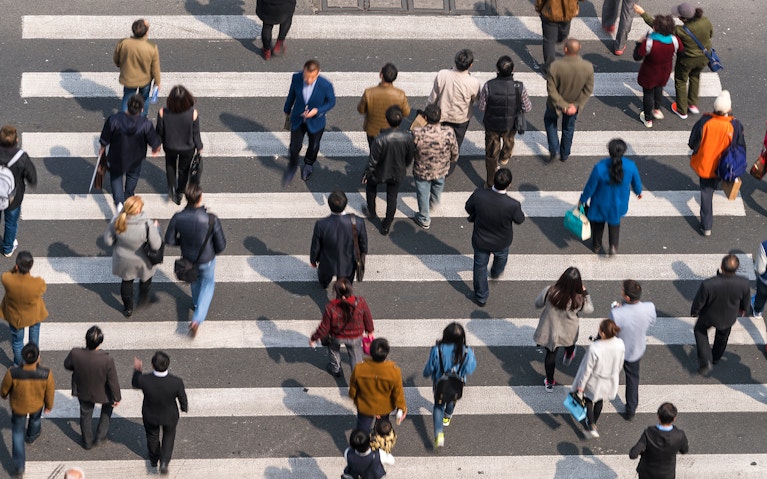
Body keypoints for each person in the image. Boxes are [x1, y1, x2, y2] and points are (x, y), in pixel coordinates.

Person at [165, 183, 227, 337]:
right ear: (200, 197)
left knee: (194, 280)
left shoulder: (178, 217)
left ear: (186, 198)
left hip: (188, 259)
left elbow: (170, 240)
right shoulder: (211, 219)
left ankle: (195, 302)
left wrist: (184, 243)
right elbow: (221, 245)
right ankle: (197, 319)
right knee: (208, 284)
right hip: (207, 260)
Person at [635, 3, 713, 119]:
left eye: (679, 16)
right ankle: (692, 104)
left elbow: (658, 26)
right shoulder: (705, 21)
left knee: (681, 81)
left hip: (688, 60)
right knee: (695, 77)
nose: (678, 18)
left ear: (684, 18)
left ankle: (681, 110)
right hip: (705, 56)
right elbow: (710, 34)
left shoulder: (680, 31)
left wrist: (643, 13)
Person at [464, 168, 525, 307]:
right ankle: (495, 273)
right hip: (502, 242)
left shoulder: (479, 194)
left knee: (479, 266)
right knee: (501, 259)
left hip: (481, 239)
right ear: (509, 185)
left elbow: (468, 207)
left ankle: (481, 297)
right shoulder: (513, 204)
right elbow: (520, 220)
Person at [688, 90, 743, 236]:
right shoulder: (735, 125)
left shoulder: (705, 122)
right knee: (714, 183)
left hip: (706, 165)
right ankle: (716, 183)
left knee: (706, 194)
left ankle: (706, 226)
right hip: (725, 166)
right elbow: (740, 147)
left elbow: (692, 141)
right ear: (729, 109)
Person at [533, 266, 594, 392]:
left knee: (550, 355)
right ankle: (569, 354)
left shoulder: (550, 291)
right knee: (570, 344)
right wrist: (585, 293)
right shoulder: (579, 299)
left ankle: (549, 382)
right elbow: (589, 309)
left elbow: (537, 303)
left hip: (550, 330)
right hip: (568, 331)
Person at [579, 138, 643, 256]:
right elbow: (636, 183)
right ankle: (613, 245)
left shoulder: (600, 167)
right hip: (619, 202)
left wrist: (582, 200)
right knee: (614, 222)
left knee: (598, 225)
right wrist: (638, 192)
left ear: (609, 151)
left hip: (600, 202)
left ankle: (596, 246)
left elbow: (590, 187)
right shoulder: (631, 166)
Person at [478, 55, 532, 189]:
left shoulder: (488, 85)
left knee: (491, 154)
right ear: (513, 69)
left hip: (492, 124)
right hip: (510, 124)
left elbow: (482, 107)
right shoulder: (519, 87)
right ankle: (504, 157)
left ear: (497, 69)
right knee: (509, 141)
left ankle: (490, 182)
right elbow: (527, 107)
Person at [99, 94, 162, 208]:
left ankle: (119, 203)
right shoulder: (145, 124)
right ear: (142, 109)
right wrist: (155, 148)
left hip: (116, 156)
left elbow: (105, 137)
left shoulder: (114, 119)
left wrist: (102, 148)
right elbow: (154, 141)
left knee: (116, 177)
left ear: (127, 106)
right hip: (135, 158)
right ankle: (128, 197)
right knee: (132, 177)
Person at [0, 343, 54, 477]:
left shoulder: (12, 372)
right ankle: (31, 436)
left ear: (22, 358)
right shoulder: (46, 373)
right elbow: (50, 392)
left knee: (17, 433)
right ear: (38, 357)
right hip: (37, 404)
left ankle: (19, 465)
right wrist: (48, 406)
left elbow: (4, 388)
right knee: (35, 420)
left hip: (19, 406)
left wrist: (4, 395)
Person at [103, 196, 162, 317]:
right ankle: (142, 299)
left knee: (126, 282)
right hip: (143, 261)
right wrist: (157, 228)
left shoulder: (117, 220)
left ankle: (128, 308)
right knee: (145, 280)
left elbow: (108, 241)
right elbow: (156, 245)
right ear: (138, 210)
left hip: (124, 260)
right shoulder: (147, 224)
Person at [64, 326, 121, 450]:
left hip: (83, 389)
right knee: (107, 409)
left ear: (86, 339)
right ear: (100, 342)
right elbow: (113, 380)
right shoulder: (107, 359)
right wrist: (117, 397)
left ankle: (87, 441)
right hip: (103, 392)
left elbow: (67, 365)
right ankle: (101, 435)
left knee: (85, 415)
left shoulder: (75, 353)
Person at [691, 254, 750, 375]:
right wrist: (744, 309)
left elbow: (699, 301)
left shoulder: (709, 284)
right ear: (736, 269)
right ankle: (716, 358)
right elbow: (745, 300)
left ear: (721, 266)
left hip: (709, 316)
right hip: (729, 317)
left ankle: (706, 359)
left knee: (700, 331)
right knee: (722, 337)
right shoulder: (743, 283)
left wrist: (695, 312)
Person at [132, 351, 188, 475]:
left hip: (150, 415)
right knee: (169, 437)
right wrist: (184, 407)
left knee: (152, 437)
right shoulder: (176, 382)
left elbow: (135, 383)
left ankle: (153, 459)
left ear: (152, 365)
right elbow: (182, 398)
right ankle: (164, 462)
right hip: (170, 416)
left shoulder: (144, 379)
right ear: (167, 365)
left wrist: (137, 370)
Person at [422, 322, 477, 449]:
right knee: (452, 399)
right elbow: (470, 369)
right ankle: (447, 417)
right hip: (457, 383)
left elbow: (429, 368)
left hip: (440, 383)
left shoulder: (437, 350)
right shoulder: (467, 352)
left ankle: (439, 433)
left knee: (438, 406)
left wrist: (425, 374)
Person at [363, 106, 415, 236]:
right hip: (397, 172)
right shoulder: (408, 137)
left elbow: (373, 160)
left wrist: (367, 172)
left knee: (371, 188)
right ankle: (386, 225)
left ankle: (372, 211)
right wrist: (404, 166)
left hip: (379, 172)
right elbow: (409, 157)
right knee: (392, 197)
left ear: (386, 120)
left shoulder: (380, 139)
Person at [282, 59, 337, 184]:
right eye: (307, 77)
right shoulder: (296, 78)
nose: (309, 80)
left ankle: (308, 164)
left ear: (318, 73)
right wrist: (287, 109)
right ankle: (292, 165)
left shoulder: (325, 85)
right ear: (303, 70)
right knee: (294, 147)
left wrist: (317, 110)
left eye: (312, 77)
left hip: (316, 121)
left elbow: (331, 102)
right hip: (298, 118)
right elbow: (292, 94)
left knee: (313, 146)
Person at [610, 280, 657, 420]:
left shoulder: (616, 314)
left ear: (627, 298)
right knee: (632, 379)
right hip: (636, 349)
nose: (621, 291)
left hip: (619, 349)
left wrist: (617, 309)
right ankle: (631, 409)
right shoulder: (649, 307)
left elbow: (612, 331)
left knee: (611, 371)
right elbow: (652, 322)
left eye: (622, 290)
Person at [571, 319, 625, 438]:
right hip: (609, 379)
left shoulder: (595, 347)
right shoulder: (620, 344)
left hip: (595, 380)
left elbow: (587, 369)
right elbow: (620, 363)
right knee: (600, 400)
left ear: (603, 333)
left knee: (589, 400)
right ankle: (595, 421)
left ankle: (591, 424)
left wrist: (580, 386)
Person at [309, 279, 374, 378]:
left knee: (334, 350)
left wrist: (314, 338)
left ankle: (335, 369)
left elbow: (324, 327)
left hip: (337, 336)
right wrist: (370, 330)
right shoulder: (360, 302)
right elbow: (367, 317)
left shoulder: (331, 307)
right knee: (356, 356)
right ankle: (357, 379)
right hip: (355, 336)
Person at [544, 39, 594, 163]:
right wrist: (575, 106)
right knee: (568, 128)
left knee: (550, 122)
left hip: (555, 104)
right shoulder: (588, 67)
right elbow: (588, 90)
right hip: (574, 107)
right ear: (580, 48)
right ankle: (565, 153)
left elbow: (551, 89)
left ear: (565, 49)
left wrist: (563, 105)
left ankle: (553, 147)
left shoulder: (555, 66)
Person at [411, 104, 458, 230]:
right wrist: (452, 160)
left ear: (425, 117)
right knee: (438, 185)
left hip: (422, 170)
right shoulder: (448, 132)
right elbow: (454, 151)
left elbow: (411, 150)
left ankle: (424, 218)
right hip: (441, 168)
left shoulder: (417, 133)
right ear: (440, 117)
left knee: (422, 193)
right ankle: (434, 204)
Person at [156, 85, 203, 205]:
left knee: (170, 166)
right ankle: (180, 192)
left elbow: (159, 132)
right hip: (188, 148)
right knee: (184, 170)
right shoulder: (193, 113)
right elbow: (196, 134)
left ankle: (171, 187)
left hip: (170, 146)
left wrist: (156, 145)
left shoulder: (162, 112)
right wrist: (199, 147)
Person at [310, 191, 368, 289]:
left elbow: (316, 246)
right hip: (348, 262)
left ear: (329, 204)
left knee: (324, 276)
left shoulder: (321, 224)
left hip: (327, 261)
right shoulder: (358, 221)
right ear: (345, 204)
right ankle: (341, 299)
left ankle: (324, 284)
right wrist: (363, 253)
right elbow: (363, 243)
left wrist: (313, 260)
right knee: (345, 286)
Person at [349, 338, 407, 433]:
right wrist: (402, 407)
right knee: (382, 428)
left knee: (363, 429)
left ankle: (363, 444)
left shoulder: (359, 369)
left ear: (370, 352)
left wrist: (353, 397)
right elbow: (398, 393)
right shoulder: (394, 372)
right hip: (384, 406)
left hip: (365, 405)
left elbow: (353, 388)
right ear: (386, 353)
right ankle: (379, 444)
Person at [426, 49, 481, 149]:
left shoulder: (442, 74)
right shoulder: (473, 82)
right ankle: (451, 161)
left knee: (439, 143)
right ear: (470, 65)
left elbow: (433, 97)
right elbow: (477, 99)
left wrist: (427, 111)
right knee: (455, 146)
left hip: (442, 115)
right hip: (461, 118)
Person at [635, 15, 683, 128]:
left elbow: (637, 56)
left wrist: (638, 43)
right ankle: (657, 109)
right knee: (659, 88)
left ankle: (648, 118)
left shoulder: (649, 41)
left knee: (648, 94)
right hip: (664, 72)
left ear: (656, 28)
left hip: (649, 73)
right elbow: (681, 52)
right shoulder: (675, 40)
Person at [1, 251, 48, 366]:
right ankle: (33, 358)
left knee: (17, 342)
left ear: (17, 266)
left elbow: (8, 274)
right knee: (34, 331)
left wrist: (15, 269)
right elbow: (43, 288)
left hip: (16, 317)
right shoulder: (37, 283)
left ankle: (19, 364)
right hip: (33, 314)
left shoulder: (7, 279)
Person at [0, 125, 37, 257]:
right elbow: (32, 178)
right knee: (10, 223)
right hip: (13, 198)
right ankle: (8, 248)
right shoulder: (21, 157)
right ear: (16, 141)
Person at [113, 19, 161, 116]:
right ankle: (142, 119)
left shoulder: (123, 43)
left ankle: (124, 120)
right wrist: (158, 82)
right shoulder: (151, 47)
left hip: (128, 78)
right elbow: (155, 68)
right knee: (144, 98)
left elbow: (116, 58)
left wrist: (120, 65)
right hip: (145, 80)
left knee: (127, 98)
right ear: (146, 32)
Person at [629, 402, 689, 478]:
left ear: (658, 416)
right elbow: (684, 450)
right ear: (674, 418)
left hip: (647, 474)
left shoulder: (648, 433)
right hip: (667, 475)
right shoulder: (679, 435)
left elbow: (633, 454)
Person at [358, 63, 411, 146]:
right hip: (391, 131)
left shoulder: (369, 92)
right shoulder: (400, 94)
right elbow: (406, 113)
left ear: (381, 74)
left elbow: (361, 110)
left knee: (374, 152)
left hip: (372, 130)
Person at [535, 0, 583, 73]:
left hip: (550, 12)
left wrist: (538, 8)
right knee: (564, 32)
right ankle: (560, 38)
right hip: (568, 12)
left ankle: (549, 69)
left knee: (549, 41)